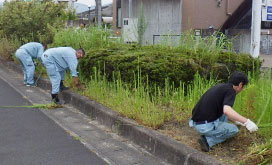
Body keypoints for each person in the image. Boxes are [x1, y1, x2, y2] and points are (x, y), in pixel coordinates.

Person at [189, 72, 258, 152]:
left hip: (196, 122)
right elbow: (227, 110)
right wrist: (247, 122)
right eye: (243, 86)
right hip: (204, 126)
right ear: (240, 84)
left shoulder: (221, 87)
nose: (243, 89)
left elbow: (225, 110)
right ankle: (207, 141)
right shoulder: (231, 92)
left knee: (225, 112)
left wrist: (236, 121)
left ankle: (213, 131)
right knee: (234, 130)